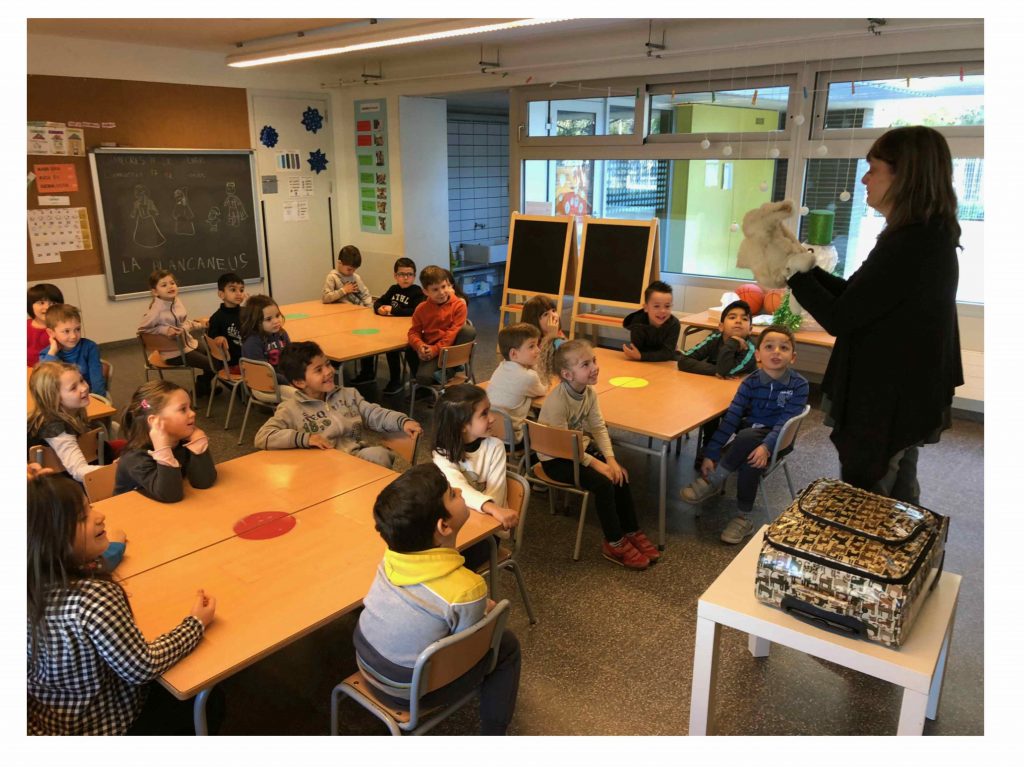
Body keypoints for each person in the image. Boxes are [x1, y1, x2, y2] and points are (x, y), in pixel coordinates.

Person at [786, 126, 963, 504]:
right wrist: (803, 267)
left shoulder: (912, 243)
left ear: (905, 176)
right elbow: (856, 294)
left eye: (873, 169)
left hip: (887, 398)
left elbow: (840, 316)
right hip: (901, 393)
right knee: (895, 493)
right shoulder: (923, 236)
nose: (864, 179)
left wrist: (790, 273)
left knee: (868, 499)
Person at [27, 473, 215, 735]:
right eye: (82, 517)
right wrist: (195, 624)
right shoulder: (93, 598)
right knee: (213, 703)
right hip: (102, 725)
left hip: (48, 721)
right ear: (51, 540)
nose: (100, 515)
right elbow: (142, 667)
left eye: (90, 507)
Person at [353, 463, 521, 735]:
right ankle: (494, 733)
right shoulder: (467, 589)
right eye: (452, 494)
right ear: (443, 526)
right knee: (507, 644)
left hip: (365, 663)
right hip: (410, 691)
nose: (459, 491)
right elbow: (468, 647)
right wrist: (486, 611)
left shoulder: (391, 556)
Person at [680, 325, 809, 544]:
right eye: (769, 347)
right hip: (747, 439)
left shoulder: (799, 385)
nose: (776, 352)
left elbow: (783, 423)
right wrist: (712, 452)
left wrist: (766, 447)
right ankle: (744, 518)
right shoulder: (750, 382)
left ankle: (714, 481)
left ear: (793, 357)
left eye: (784, 348)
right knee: (751, 458)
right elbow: (732, 418)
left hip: (778, 440)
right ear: (758, 355)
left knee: (747, 437)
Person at [537, 339, 660, 569]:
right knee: (603, 483)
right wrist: (597, 464)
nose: (594, 367)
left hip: (577, 450)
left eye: (593, 360)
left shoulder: (589, 393)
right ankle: (614, 542)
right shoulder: (557, 402)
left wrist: (611, 460)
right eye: (585, 364)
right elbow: (564, 448)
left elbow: (598, 427)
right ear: (567, 374)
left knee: (619, 474)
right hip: (556, 459)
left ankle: (631, 530)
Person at [254, 341, 422, 468]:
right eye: (318, 370)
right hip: (321, 469)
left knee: (379, 454)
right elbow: (263, 436)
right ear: (299, 382)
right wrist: (305, 439)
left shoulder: (349, 395)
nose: (328, 371)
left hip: (356, 459)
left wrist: (402, 421)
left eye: (327, 364)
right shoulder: (290, 409)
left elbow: (374, 414)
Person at [28, 362, 127, 571]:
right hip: (64, 487)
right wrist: (113, 471)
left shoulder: (68, 413)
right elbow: (79, 471)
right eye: (73, 387)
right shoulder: (56, 428)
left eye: (81, 381)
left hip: (67, 476)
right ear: (54, 398)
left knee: (123, 447)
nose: (84, 387)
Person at [677, 298, 758, 470]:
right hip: (716, 394)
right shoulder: (714, 339)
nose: (738, 321)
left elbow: (726, 370)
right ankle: (709, 447)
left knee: (732, 420)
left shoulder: (750, 349)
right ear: (721, 326)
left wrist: (732, 343)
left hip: (743, 404)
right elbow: (684, 360)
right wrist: (715, 371)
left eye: (744, 319)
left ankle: (727, 450)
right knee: (710, 406)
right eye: (732, 317)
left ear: (750, 329)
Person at [431, 383, 520, 533]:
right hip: (459, 523)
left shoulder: (495, 447)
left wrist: (491, 509)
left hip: (488, 526)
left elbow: (496, 496)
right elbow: (457, 485)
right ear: (462, 425)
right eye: (484, 414)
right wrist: (490, 507)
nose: (492, 418)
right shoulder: (441, 453)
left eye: (489, 410)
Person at [113, 380, 217, 502]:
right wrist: (162, 448)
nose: (193, 413)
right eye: (183, 409)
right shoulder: (135, 458)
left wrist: (198, 441)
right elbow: (170, 495)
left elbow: (204, 481)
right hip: (131, 510)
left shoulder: (182, 442)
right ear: (154, 422)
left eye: (190, 407)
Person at [137, 269, 213, 397]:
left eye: (172, 283)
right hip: (174, 354)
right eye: (164, 285)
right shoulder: (156, 311)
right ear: (155, 292)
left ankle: (203, 386)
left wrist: (199, 324)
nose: (170, 287)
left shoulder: (176, 301)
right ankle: (201, 387)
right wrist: (165, 330)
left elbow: (182, 324)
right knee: (214, 365)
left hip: (188, 343)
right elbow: (142, 330)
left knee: (215, 354)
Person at [406, 265, 470, 385]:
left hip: (447, 349)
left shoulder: (459, 305)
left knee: (468, 331)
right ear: (425, 292)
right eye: (435, 290)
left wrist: (435, 349)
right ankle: (443, 372)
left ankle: (450, 369)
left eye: (444, 287)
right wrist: (420, 346)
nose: (441, 292)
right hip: (431, 348)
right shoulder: (421, 309)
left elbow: (452, 333)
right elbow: (413, 332)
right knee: (423, 377)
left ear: (448, 284)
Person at [486, 323, 547, 446]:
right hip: (514, 438)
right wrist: (535, 366)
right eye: (531, 346)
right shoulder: (528, 376)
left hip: (490, 433)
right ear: (514, 354)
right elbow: (544, 389)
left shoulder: (502, 366)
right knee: (546, 428)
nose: (538, 350)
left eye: (537, 345)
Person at [373, 257, 426, 395]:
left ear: (414, 276)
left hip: (410, 330)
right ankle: (394, 380)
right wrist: (379, 309)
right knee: (389, 347)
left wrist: (393, 310)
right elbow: (379, 302)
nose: (406, 278)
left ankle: (418, 383)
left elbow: (415, 311)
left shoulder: (417, 292)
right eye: (402, 274)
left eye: (409, 274)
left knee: (408, 350)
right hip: (392, 329)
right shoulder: (393, 289)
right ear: (395, 276)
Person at [38, 304, 107, 401]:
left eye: (77, 329)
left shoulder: (90, 347)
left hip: (87, 396)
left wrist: (97, 400)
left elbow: (97, 379)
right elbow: (45, 381)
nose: (74, 336)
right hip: (61, 399)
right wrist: (52, 352)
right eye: (66, 331)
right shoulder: (48, 354)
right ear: (51, 333)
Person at [621, 280, 681, 361]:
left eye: (667, 306)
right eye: (656, 306)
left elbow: (667, 353)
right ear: (646, 308)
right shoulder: (637, 323)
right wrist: (640, 356)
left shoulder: (674, 324)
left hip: (666, 363)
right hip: (643, 363)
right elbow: (637, 351)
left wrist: (642, 356)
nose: (662, 311)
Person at [240, 294, 291, 385]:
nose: (276, 321)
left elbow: (291, 356)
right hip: (265, 384)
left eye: (277, 315)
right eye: (268, 319)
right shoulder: (252, 343)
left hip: (282, 377)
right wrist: (289, 381)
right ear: (255, 322)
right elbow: (263, 373)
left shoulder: (282, 333)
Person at [521, 295, 566, 386]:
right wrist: (551, 336)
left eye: (553, 310)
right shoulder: (531, 341)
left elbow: (567, 354)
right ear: (534, 321)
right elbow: (543, 364)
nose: (553, 315)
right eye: (545, 314)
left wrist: (554, 336)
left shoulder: (557, 332)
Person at [207, 272, 248, 372]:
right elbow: (212, 339)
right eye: (233, 290)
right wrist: (217, 338)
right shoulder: (217, 317)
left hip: (250, 357)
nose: (239, 293)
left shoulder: (247, 312)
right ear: (221, 294)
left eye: (241, 290)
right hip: (232, 363)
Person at [27, 283, 64, 367]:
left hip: (54, 368)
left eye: (53, 303)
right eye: (41, 303)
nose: (47, 307)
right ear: (30, 305)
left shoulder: (63, 327)